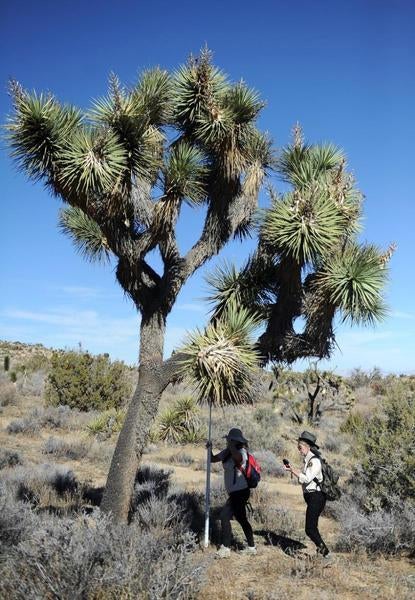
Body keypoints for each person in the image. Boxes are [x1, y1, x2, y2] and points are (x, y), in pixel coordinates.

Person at [207, 427, 256, 558]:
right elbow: (212, 459)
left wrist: (232, 446)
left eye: (230, 439)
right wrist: (209, 449)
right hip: (234, 492)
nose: (227, 441)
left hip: (240, 492)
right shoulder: (227, 452)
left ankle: (225, 548)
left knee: (224, 516)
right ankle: (252, 547)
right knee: (242, 519)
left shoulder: (242, 452)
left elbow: (238, 459)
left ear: (235, 441)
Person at [283, 431, 330, 558]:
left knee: (309, 529)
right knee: (312, 527)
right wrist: (295, 471)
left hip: (316, 497)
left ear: (307, 446)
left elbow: (307, 478)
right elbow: (303, 479)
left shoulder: (314, 461)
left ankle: (325, 553)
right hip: (312, 497)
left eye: (300, 447)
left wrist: (293, 470)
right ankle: (322, 552)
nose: (299, 450)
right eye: (298, 448)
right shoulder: (308, 460)